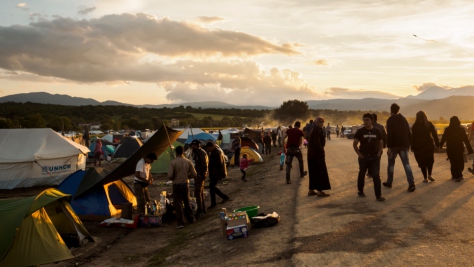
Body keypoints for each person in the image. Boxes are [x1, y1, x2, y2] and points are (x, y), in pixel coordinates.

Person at [383, 103, 415, 192]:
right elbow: (409, 133)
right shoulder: (404, 119)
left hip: (394, 145)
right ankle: (411, 183)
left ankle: (389, 182)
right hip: (403, 145)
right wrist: (408, 144)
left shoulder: (390, 120)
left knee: (391, 164)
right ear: (398, 110)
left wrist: (389, 147)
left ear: (391, 110)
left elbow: (389, 134)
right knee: (406, 164)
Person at [353, 114, 385, 201]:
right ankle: (360, 191)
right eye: (364, 120)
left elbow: (381, 142)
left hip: (374, 157)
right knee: (362, 173)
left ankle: (378, 195)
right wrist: (360, 155)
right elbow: (355, 144)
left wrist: (378, 154)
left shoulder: (377, 131)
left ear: (372, 121)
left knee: (376, 176)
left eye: (367, 120)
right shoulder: (360, 131)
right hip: (364, 157)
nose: (365, 122)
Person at [168, 146, 196, 229]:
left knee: (178, 204)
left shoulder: (173, 162)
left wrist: (174, 177)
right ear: (183, 152)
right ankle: (191, 219)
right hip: (185, 184)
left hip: (177, 184)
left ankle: (181, 223)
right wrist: (187, 177)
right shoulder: (188, 161)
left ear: (176, 152)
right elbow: (194, 174)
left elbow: (170, 176)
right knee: (187, 202)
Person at [439, 116, 474, 182]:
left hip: (450, 148)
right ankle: (458, 175)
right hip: (459, 148)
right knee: (460, 162)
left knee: (453, 162)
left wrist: (440, 145)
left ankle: (455, 175)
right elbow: (466, 140)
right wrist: (470, 149)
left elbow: (443, 138)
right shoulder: (461, 129)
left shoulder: (448, 129)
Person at [411, 111, 440, 183]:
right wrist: (437, 144)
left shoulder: (415, 125)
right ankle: (430, 174)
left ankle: (425, 178)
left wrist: (412, 147)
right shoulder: (429, 124)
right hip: (429, 145)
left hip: (419, 146)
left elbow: (413, 137)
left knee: (422, 161)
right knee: (430, 160)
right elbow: (434, 134)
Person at [307, 117, 331, 197]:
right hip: (316, 155)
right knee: (320, 172)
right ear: (316, 123)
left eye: (322, 123)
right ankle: (320, 191)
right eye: (320, 123)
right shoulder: (316, 131)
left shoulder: (314, 130)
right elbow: (317, 144)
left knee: (313, 172)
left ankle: (311, 190)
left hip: (311, 155)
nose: (321, 124)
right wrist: (322, 151)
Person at [206, 142, 230, 209]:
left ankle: (223, 197)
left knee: (212, 187)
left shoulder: (216, 153)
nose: (208, 150)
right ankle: (214, 202)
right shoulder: (216, 151)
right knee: (212, 188)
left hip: (216, 173)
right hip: (216, 173)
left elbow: (217, 164)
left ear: (211, 147)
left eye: (208, 148)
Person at [190, 140, 208, 219]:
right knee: (200, 192)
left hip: (200, 175)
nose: (192, 147)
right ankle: (203, 209)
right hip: (199, 175)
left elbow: (204, 165)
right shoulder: (197, 152)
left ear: (196, 145)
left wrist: (200, 174)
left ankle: (200, 211)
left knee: (197, 192)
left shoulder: (201, 153)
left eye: (193, 145)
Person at [366, 113, 388, 179]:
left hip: (370, 147)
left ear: (371, 119)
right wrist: (384, 145)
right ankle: (376, 173)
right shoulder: (381, 127)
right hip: (378, 147)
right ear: (376, 119)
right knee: (377, 160)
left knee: (370, 159)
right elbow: (384, 136)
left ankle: (370, 173)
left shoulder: (368, 126)